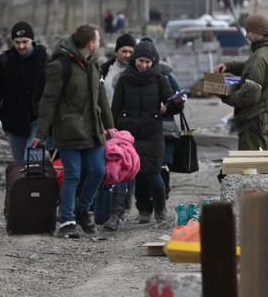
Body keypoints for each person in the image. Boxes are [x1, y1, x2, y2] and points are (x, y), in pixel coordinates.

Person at [33, 24, 115, 238]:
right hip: (68, 130)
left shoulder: (93, 64)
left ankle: (82, 210)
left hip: (93, 129)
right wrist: (41, 134)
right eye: (97, 40)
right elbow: (48, 102)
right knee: (73, 175)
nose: (98, 44)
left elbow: (102, 98)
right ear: (91, 43)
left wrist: (109, 125)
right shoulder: (61, 66)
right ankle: (67, 221)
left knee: (98, 171)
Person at [110, 41, 184, 224]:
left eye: (147, 62)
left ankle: (160, 210)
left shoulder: (160, 78)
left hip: (152, 134)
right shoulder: (124, 78)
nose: (144, 65)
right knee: (123, 173)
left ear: (153, 62)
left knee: (153, 173)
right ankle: (115, 215)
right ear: (134, 59)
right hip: (128, 136)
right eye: (140, 61)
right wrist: (111, 128)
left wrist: (175, 102)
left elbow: (174, 107)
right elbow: (116, 107)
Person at [214, 14, 268, 150]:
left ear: (258, 32)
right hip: (267, 116)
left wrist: (225, 96)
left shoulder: (259, 56)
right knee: (259, 158)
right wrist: (229, 66)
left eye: (249, 31)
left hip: (254, 118)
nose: (246, 35)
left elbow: (250, 94)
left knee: (251, 164)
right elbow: (251, 67)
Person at [0, 22, 48, 162]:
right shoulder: (4, 61)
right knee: (20, 164)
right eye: (17, 42)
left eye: (25, 42)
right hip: (13, 121)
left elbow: (53, 92)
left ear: (32, 40)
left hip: (38, 120)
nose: (21, 46)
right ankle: (22, 184)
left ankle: (33, 183)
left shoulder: (45, 60)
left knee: (32, 161)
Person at [101, 33, 136, 104]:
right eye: (124, 51)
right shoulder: (104, 71)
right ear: (116, 52)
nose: (127, 55)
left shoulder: (138, 73)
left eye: (131, 52)